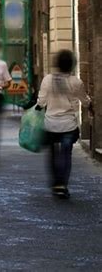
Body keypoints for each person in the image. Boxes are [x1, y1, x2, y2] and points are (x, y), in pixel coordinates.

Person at [36, 50, 92, 199]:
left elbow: (41, 102)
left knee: (53, 153)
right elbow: (85, 101)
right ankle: (63, 185)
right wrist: (90, 103)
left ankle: (55, 182)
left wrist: (36, 108)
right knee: (66, 154)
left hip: (51, 124)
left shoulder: (47, 79)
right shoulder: (76, 82)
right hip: (68, 125)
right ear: (72, 65)